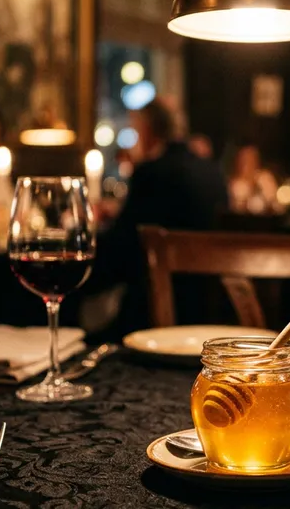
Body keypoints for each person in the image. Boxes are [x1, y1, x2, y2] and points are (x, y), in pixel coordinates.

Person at [90, 98, 229, 335]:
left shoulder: (151, 172)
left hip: (150, 312)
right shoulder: (212, 171)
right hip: (207, 308)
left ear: (146, 130)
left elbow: (120, 249)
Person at [227, 142, 278, 214]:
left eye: (250, 158)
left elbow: (273, 203)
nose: (246, 163)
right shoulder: (233, 184)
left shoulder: (265, 178)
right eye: (243, 159)